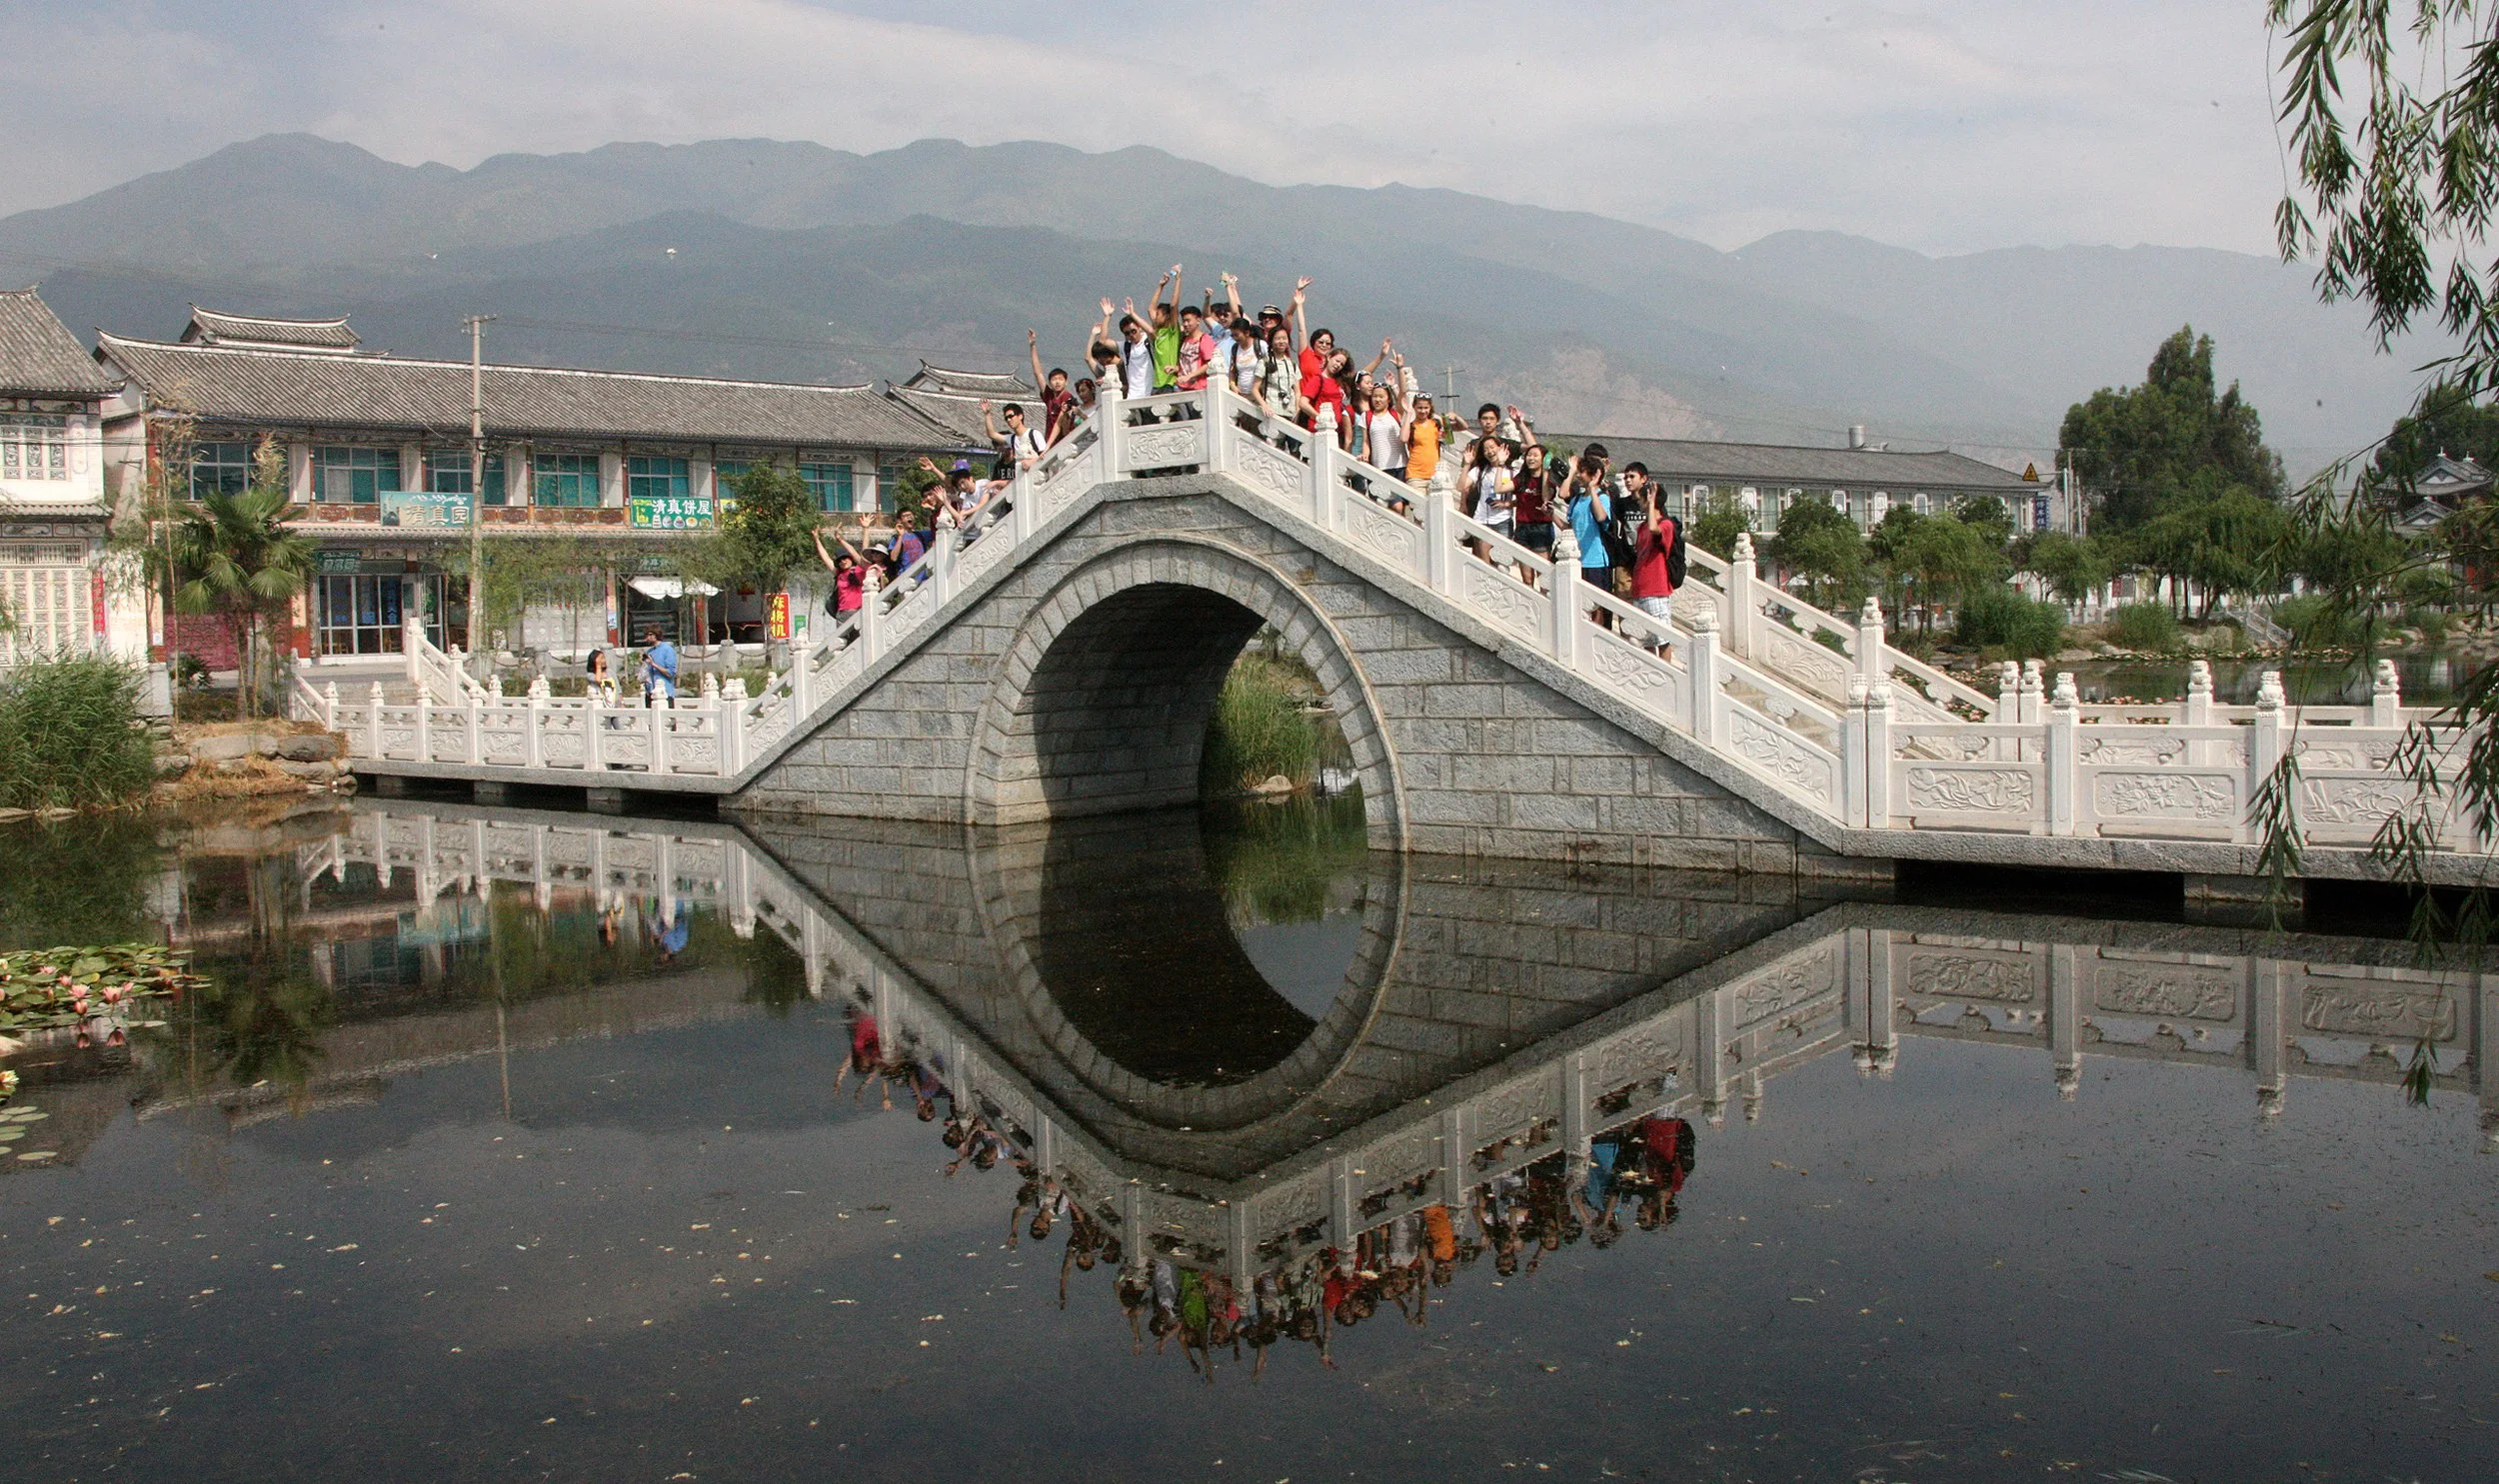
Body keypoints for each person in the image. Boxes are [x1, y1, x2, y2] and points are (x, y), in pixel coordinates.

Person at [1565, 453, 1616, 629]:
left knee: (1597, 606)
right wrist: (1551, 515)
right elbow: (1569, 526)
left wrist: (1593, 489)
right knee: (1580, 604)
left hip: (1596, 560)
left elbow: (1601, 517)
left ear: (1594, 475)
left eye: (1583, 472)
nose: (1579, 475)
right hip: (1577, 560)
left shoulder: (1602, 498)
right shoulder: (1576, 500)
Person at [1028, 329, 1077, 445]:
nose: (1057, 382)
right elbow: (1038, 373)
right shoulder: (1049, 396)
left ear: (1066, 382)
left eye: (1060, 379)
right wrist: (1033, 346)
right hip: (1050, 442)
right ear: (1050, 383)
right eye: (1054, 379)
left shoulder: (1067, 397)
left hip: (1065, 441)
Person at [812, 528, 867, 621]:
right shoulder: (839, 573)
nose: (843, 561)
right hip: (842, 614)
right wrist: (816, 539)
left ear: (851, 558)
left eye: (845, 558)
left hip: (858, 612)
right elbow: (825, 558)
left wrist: (865, 528)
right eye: (840, 560)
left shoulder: (859, 570)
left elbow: (859, 553)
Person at [983, 399, 1046, 474]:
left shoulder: (1034, 434)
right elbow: (991, 434)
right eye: (1006, 418)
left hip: (1038, 476)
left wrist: (1031, 462)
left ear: (1020, 416)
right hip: (1021, 477)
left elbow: (1046, 455)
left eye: (1011, 416)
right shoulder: (1012, 438)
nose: (1009, 420)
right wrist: (987, 414)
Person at [639, 625, 678, 704]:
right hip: (650, 693)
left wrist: (653, 664)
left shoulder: (667, 649)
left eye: (648, 635)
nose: (646, 639)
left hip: (664, 693)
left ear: (654, 635)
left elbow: (671, 673)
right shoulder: (650, 651)